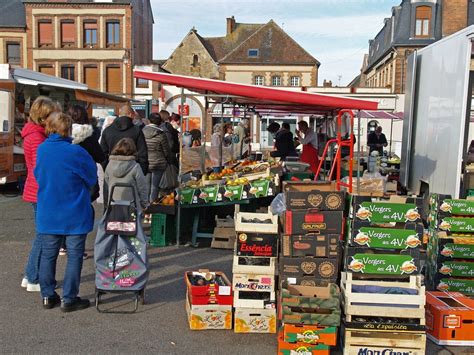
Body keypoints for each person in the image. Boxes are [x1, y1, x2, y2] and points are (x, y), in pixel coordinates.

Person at [35, 112, 97, 311]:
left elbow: (37, 175)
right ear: (68, 129)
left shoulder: (42, 149)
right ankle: (69, 298)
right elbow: (91, 177)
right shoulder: (76, 152)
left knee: (48, 254)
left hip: (48, 208)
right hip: (74, 209)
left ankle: (47, 295)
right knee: (74, 255)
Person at [20, 96, 60, 292]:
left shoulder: (34, 134)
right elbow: (41, 168)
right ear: (44, 116)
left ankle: (30, 275)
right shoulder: (37, 137)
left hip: (35, 190)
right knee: (44, 235)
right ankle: (33, 276)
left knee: (42, 234)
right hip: (40, 192)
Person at [100, 104, 149, 175]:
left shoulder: (107, 130)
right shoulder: (136, 130)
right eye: (133, 115)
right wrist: (143, 171)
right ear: (130, 114)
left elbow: (102, 153)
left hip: (112, 169)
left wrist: (107, 168)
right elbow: (143, 152)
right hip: (133, 170)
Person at [104, 138, 149, 212]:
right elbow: (142, 187)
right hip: (132, 205)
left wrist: (107, 203)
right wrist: (144, 203)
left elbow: (106, 186)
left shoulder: (109, 165)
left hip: (113, 204)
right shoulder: (135, 166)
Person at [143, 113, 172, 202]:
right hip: (158, 163)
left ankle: (145, 206)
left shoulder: (142, 131)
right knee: (155, 186)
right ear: (159, 122)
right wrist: (168, 159)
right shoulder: (161, 133)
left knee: (146, 186)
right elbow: (166, 150)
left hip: (146, 162)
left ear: (149, 120)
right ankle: (153, 206)